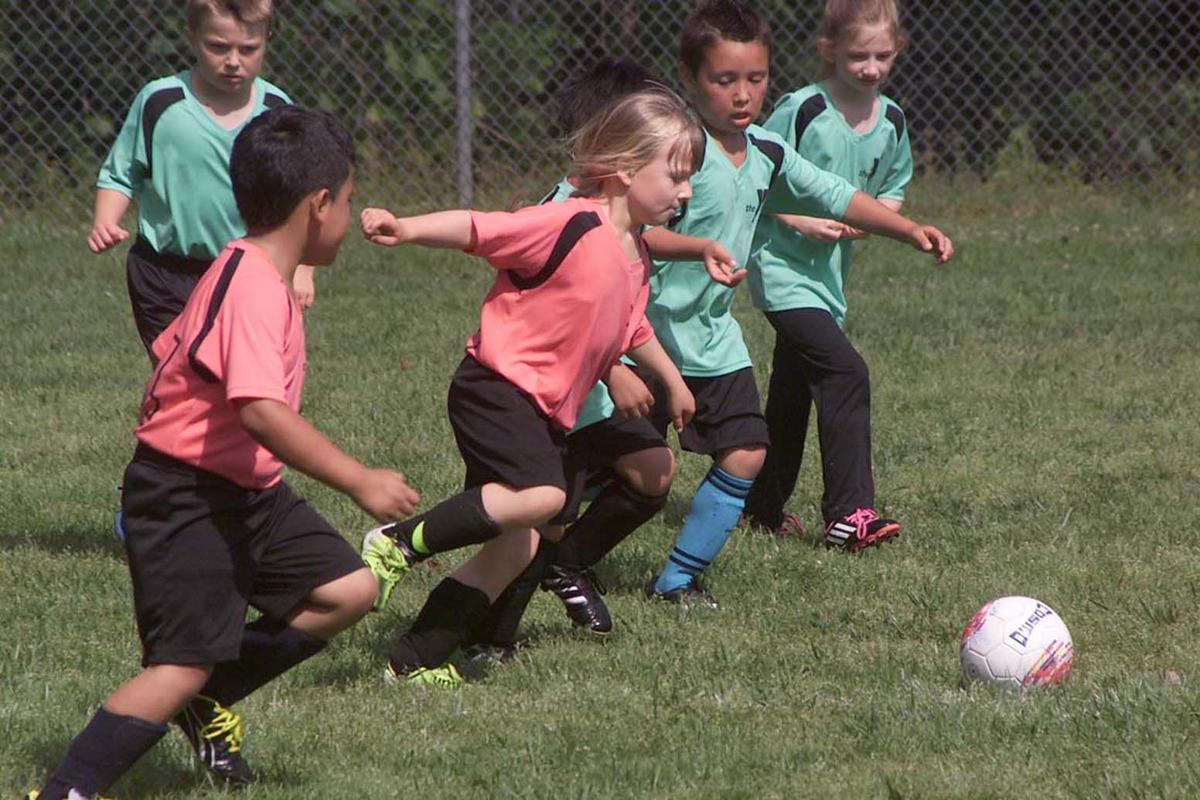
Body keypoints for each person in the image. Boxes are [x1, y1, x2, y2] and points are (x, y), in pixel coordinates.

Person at [29, 107, 419, 799]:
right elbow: (260, 411)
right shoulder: (251, 288)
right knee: (177, 665)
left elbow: (180, 363)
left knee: (349, 589)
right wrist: (358, 479)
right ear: (318, 204)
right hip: (186, 495)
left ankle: (206, 695)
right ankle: (67, 790)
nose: (348, 217)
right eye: (348, 200)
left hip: (245, 490)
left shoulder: (251, 269)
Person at [358, 88, 704, 686]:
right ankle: (398, 543)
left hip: (546, 411)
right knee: (543, 497)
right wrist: (406, 227)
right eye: (675, 176)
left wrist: (671, 380)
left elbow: (629, 326)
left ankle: (411, 661)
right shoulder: (569, 221)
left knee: (516, 549)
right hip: (495, 387)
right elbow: (480, 227)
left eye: (689, 178)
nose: (687, 191)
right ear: (624, 170)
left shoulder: (637, 256)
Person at [642, 0, 952, 606]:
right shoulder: (675, 151)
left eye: (754, 79)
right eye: (724, 79)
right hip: (646, 337)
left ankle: (696, 566)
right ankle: (560, 557)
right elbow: (629, 226)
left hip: (714, 338)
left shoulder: (766, 150)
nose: (742, 94)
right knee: (628, 477)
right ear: (689, 78)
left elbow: (836, 193)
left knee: (762, 432)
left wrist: (907, 228)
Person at [743, 0, 917, 551]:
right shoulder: (802, 108)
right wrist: (797, 218)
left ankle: (760, 511)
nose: (870, 67)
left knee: (792, 395)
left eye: (882, 55)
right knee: (846, 373)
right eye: (858, 55)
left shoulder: (890, 119)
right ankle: (850, 514)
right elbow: (752, 172)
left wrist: (876, 221)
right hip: (780, 270)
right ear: (829, 53)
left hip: (827, 283)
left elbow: (892, 187)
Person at [90, 0, 315, 362]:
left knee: (246, 371)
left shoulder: (277, 112)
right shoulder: (160, 103)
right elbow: (121, 173)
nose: (232, 60)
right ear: (192, 37)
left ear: (267, 39)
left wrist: (303, 269)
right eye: (218, 46)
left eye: (248, 48)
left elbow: (303, 199)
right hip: (165, 271)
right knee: (182, 376)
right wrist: (105, 220)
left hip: (249, 272)